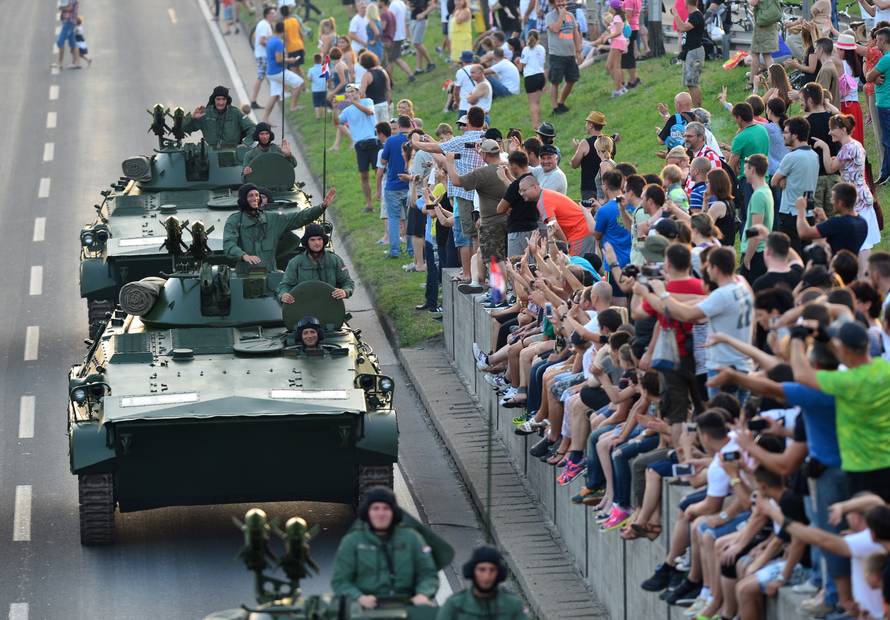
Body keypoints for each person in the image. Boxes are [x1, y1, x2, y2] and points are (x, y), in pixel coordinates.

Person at [331, 487, 438, 609]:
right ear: (367, 512)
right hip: (366, 607)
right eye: (375, 508)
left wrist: (423, 594)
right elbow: (340, 581)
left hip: (406, 604)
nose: (381, 514)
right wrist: (359, 597)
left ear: (394, 512)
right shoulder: (352, 541)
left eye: (386, 508)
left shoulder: (412, 538)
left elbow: (428, 574)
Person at [813, 113, 882, 271]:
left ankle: (863, 276)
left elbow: (830, 168)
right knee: (865, 243)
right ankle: (864, 274)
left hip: (855, 199)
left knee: (863, 244)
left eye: (832, 129)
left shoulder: (847, 149)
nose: (830, 132)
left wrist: (824, 148)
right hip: (863, 195)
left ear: (843, 130)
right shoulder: (855, 144)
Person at [223, 184, 332, 271]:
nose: (255, 198)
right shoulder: (235, 221)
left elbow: (299, 218)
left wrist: (321, 207)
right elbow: (229, 245)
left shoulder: (272, 218)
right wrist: (243, 256)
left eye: (257, 195)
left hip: (270, 273)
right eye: (250, 196)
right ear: (243, 199)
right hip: (244, 275)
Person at [771, 116, 819, 254]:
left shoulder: (791, 157)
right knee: (806, 255)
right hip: (808, 212)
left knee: (791, 256)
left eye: (786, 132)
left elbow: (774, 181)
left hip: (790, 214)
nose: (783, 135)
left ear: (795, 135)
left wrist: (783, 179)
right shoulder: (814, 155)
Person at [437, 546, 528, 619]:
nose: (487, 576)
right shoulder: (454, 604)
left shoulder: (513, 604)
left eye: (492, 570)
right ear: (472, 571)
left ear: (499, 573)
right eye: (482, 570)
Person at [278, 222, 355, 302]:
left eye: (319, 239)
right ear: (307, 242)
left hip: (330, 305)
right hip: (305, 305)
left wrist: (345, 291)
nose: (317, 243)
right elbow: (285, 285)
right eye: (312, 240)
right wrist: (284, 294)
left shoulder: (334, 260)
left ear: (323, 240)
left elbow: (347, 282)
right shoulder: (296, 263)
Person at [518, 175, 594, 256]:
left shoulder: (543, 201)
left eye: (524, 190)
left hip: (580, 233)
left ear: (535, 187)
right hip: (582, 230)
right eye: (520, 191)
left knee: (577, 262)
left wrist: (566, 246)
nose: (521, 194)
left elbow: (554, 227)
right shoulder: (545, 195)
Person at [796, 182, 869, 257]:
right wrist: (824, 220)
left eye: (833, 199)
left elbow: (804, 233)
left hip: (836, 263)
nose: (831, 202)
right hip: (851, 263)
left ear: (840, 203)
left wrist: (801, 209)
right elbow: (839, 234)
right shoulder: (862, 222)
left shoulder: (838, 222)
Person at [728, 102, 770, 225]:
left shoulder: (740, 137)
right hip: (765, 177)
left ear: (739, 118)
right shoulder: (762, 130)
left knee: (747, 218)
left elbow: (731, 165)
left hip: (748, 181)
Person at [340, 84, 380, 212]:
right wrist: (335, 108)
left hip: (373, 141)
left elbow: (369, 112)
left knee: (379, 172)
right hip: (360, 145)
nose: (350, 94)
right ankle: (369, 204)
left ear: (358, 92)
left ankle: (382, 199)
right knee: (364, 175)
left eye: (352, 91)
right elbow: (338, 122)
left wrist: (353, 102)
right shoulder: (347, 110)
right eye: (348, 92)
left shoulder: (367, 101)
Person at [183, 86, 256, 148]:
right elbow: (184, 129)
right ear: (214, 99)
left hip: (233, 151)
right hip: (212, 153)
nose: (221, 103)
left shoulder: (236, 113)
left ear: (227, 100)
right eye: (218, 99)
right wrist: (192, 118)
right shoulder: (205, 114)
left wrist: (246, 143)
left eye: (223, 99)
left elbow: (253, 128)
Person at [380, 116, 412, 259]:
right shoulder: (415, 139)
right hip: (410, 185)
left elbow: (383, 161)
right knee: (410, 218)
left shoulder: (391, 141)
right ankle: (412, 249)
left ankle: (394, 251)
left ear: (398, 125)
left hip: (393, 185)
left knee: (393, 218)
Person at [740, 154, 774, 284]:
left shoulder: (758, 195)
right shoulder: (765, 190)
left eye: (745, 169)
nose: (744, 172)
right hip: (759, 252)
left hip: (756, 254)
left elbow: (756, 232)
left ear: (752, 170)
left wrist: (747, 258)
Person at [546, 0, 583, 115]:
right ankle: (555, 108)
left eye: (563, 1)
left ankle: (561, 102)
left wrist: (578, 51)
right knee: (555, 82)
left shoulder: (571, 15)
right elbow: (555, 29)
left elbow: (575, 33)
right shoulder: (549, 16)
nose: (561, 3)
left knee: (572, 79)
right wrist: (561, 15)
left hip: (570, 54)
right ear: (553, 3)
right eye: (558, 1)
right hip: (556, 55)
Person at [262, 22, 305, 122]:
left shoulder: (271, 40)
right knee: (299, 83)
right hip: (278, 71)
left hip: (271, 72)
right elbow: (279, 59)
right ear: (283, 31)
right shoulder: (278, 43)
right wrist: (291, 60)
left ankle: (264, 118)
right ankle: (293, 106)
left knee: (275, 95)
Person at [671, 0, 705, 107]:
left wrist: (676, 14)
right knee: (690, 83)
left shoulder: (696, 15)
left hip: (695, 53)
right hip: (690, 52)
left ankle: (698, 109)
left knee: (693, 83)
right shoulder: (693, 15)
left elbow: (682, 28)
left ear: (686, 2)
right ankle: (695, 108)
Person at [867, 26, 890, 184]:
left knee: (887, 140)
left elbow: (869, 76)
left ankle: (886, 174)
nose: (876, 43)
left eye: (877, 40)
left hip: (885, 104)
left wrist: (873, 78)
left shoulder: (886, 59)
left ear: (883, 40)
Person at [571, 111, 610, 202]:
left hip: (589, 190)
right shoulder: (609, 142)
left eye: (587, 123)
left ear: (591, 125)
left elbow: (574, 164)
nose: (586, 126)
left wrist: (578, 149)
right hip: (607, 187)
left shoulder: (585, 143)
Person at [250, 7, 277, 110]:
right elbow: (262, 41)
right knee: (262, 76)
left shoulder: (265, 24)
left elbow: (256, 37)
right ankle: (253, 100)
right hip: (263, 55)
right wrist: (273, 46)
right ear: (267, 15)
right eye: (272, 13)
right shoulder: (264, 25)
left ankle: (254, 100)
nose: (275, 15)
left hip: (262, 54)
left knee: (263, 76)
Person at [519, 30, 547, 129]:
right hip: (541, 76)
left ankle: (535, 125)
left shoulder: (526, 49)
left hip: (530, 77)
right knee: (537, 102)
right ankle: (539, 122)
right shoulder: (542, 48)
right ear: (538, 38)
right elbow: (542, 63)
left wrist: (518, 63)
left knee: (533, 103)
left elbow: (522, 65)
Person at [359, 52, 392, 122]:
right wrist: (388, 103)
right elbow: (388, 89)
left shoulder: (366, 75)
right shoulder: (383, 71)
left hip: (372, 106)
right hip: (384, 103)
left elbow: (361, 93)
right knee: (385, 126)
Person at [409, 0, 436, 74]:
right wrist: (410, 7)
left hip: (422, 20)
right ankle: (419, 68)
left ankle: (431, 63)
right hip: (413, 19)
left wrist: (423, 14)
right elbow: (410, 6)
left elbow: (433, 6)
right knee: (418, 45)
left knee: (416, 43)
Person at [280, 5, 306, 77]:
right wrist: (303, 46)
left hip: (292, 48)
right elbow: (301, 34)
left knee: (293, 68)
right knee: (298, 67)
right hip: (299, 46)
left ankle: (298, 83)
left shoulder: (283, 24)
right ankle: (303, 83)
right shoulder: (295, 20)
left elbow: (286, 38)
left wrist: (285, 51)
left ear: (281, 14)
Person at [55, 0, 81, 70]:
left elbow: (69, 8)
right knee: (73, 42)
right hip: (71, 22)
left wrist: (61, 8)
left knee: (60, 41)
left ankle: (60, 63)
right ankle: (77, 63)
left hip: (69, 22)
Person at [307, 54, 329, 120]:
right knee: (324, 103)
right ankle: (324, 116)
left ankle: (318, 117)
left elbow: (309, 79)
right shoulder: (325, 68)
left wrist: (313, 79)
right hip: (324, 88)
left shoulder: (311, 69)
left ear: (314, 60)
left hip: (315, 89)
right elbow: (328, 77)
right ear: (321, 60)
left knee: (316, 104)